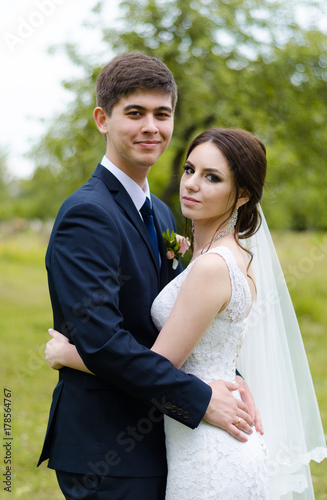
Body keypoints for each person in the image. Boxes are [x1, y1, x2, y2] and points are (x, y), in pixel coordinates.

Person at [46, 128, 327, 498]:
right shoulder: (226, 254)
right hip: (200, 436)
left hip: (209, 451)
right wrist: (234, 375)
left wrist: (71, 355)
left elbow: (164, 361)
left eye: (212, 177)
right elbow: (210, 338)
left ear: (242, 194)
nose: (192, 184)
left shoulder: (212, 266)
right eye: (190, 170)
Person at [38, 53, 258, 500]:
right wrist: (201, 398)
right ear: (103, 119)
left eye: (163, 114)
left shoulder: (158, 211)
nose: (151, 128)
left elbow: (183, 322)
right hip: (108, 447)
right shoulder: (87, 214)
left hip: (164, 437)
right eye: (135, 113)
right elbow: (103, 342)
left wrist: (231, 378)